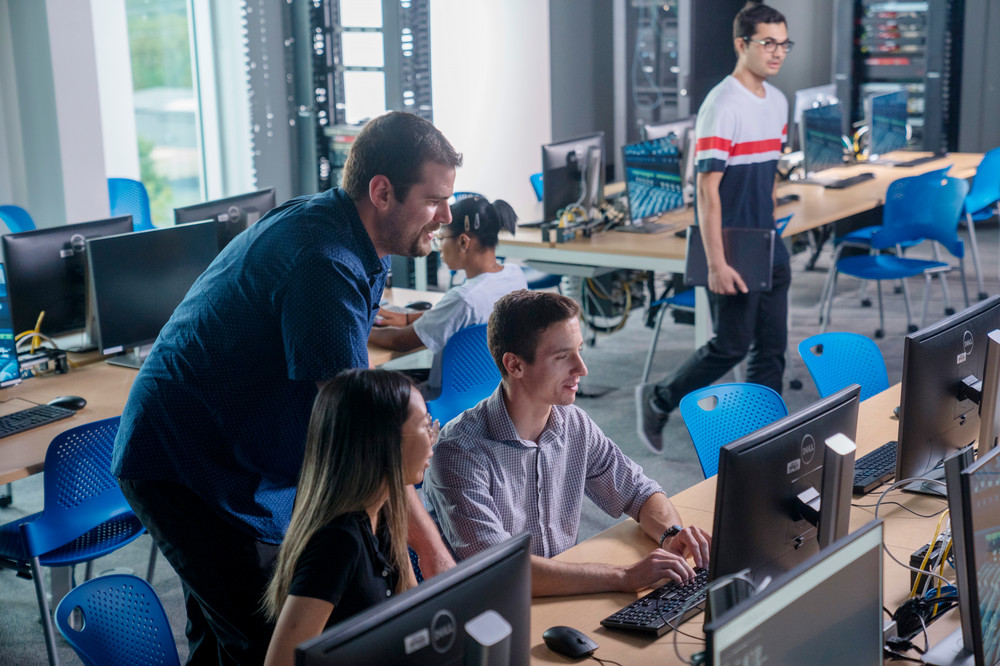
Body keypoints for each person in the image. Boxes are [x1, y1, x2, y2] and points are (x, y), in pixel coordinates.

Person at [111, 111, 462, 663]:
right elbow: (362, 434)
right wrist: (432, 553)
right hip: (187, 464)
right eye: (435, 199)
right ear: (382, 192)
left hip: (235, 451)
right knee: (263, 639)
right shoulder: (322, 260)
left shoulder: (348, 232)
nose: (446, 215)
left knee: (228, 626)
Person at [422, 290, 711, 596]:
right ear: (515, 365)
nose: (581, 368)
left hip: (563, 593)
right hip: (495, 611)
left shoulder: (573, 422)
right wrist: (624, 576)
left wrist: (670, 535)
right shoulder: (458, 453)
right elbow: (502, 569)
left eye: (579, 351)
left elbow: (639, 493)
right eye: (562, 357)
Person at [637, 1, 792, 453]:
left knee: (773, 350)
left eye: (784, 44)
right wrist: (716, 263)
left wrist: (776, 223)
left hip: (769, 240)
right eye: (768, 43)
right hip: (732, 246)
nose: (777, 53)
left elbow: (768, 177)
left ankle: (766, 442)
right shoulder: (722, 105)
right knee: (731, 345)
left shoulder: (778, 102)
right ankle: (660, 398)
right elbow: (707, 191)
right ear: (742, 44)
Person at [263, 369, 437, 666]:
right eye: (424, 426)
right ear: (384, 443)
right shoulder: (337, 543)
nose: (434, 434)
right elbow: (281, 662)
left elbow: (412, 610)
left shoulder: (384, 511)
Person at [369, 194, 528, 396]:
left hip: (444, 397)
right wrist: (407, 318)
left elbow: (398, 342)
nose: (439, 248)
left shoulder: (464, 298)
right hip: (491, 392)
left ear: (463, 242)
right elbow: (459, 316)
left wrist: (361, 330)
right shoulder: (515, 276)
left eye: (441, 239)